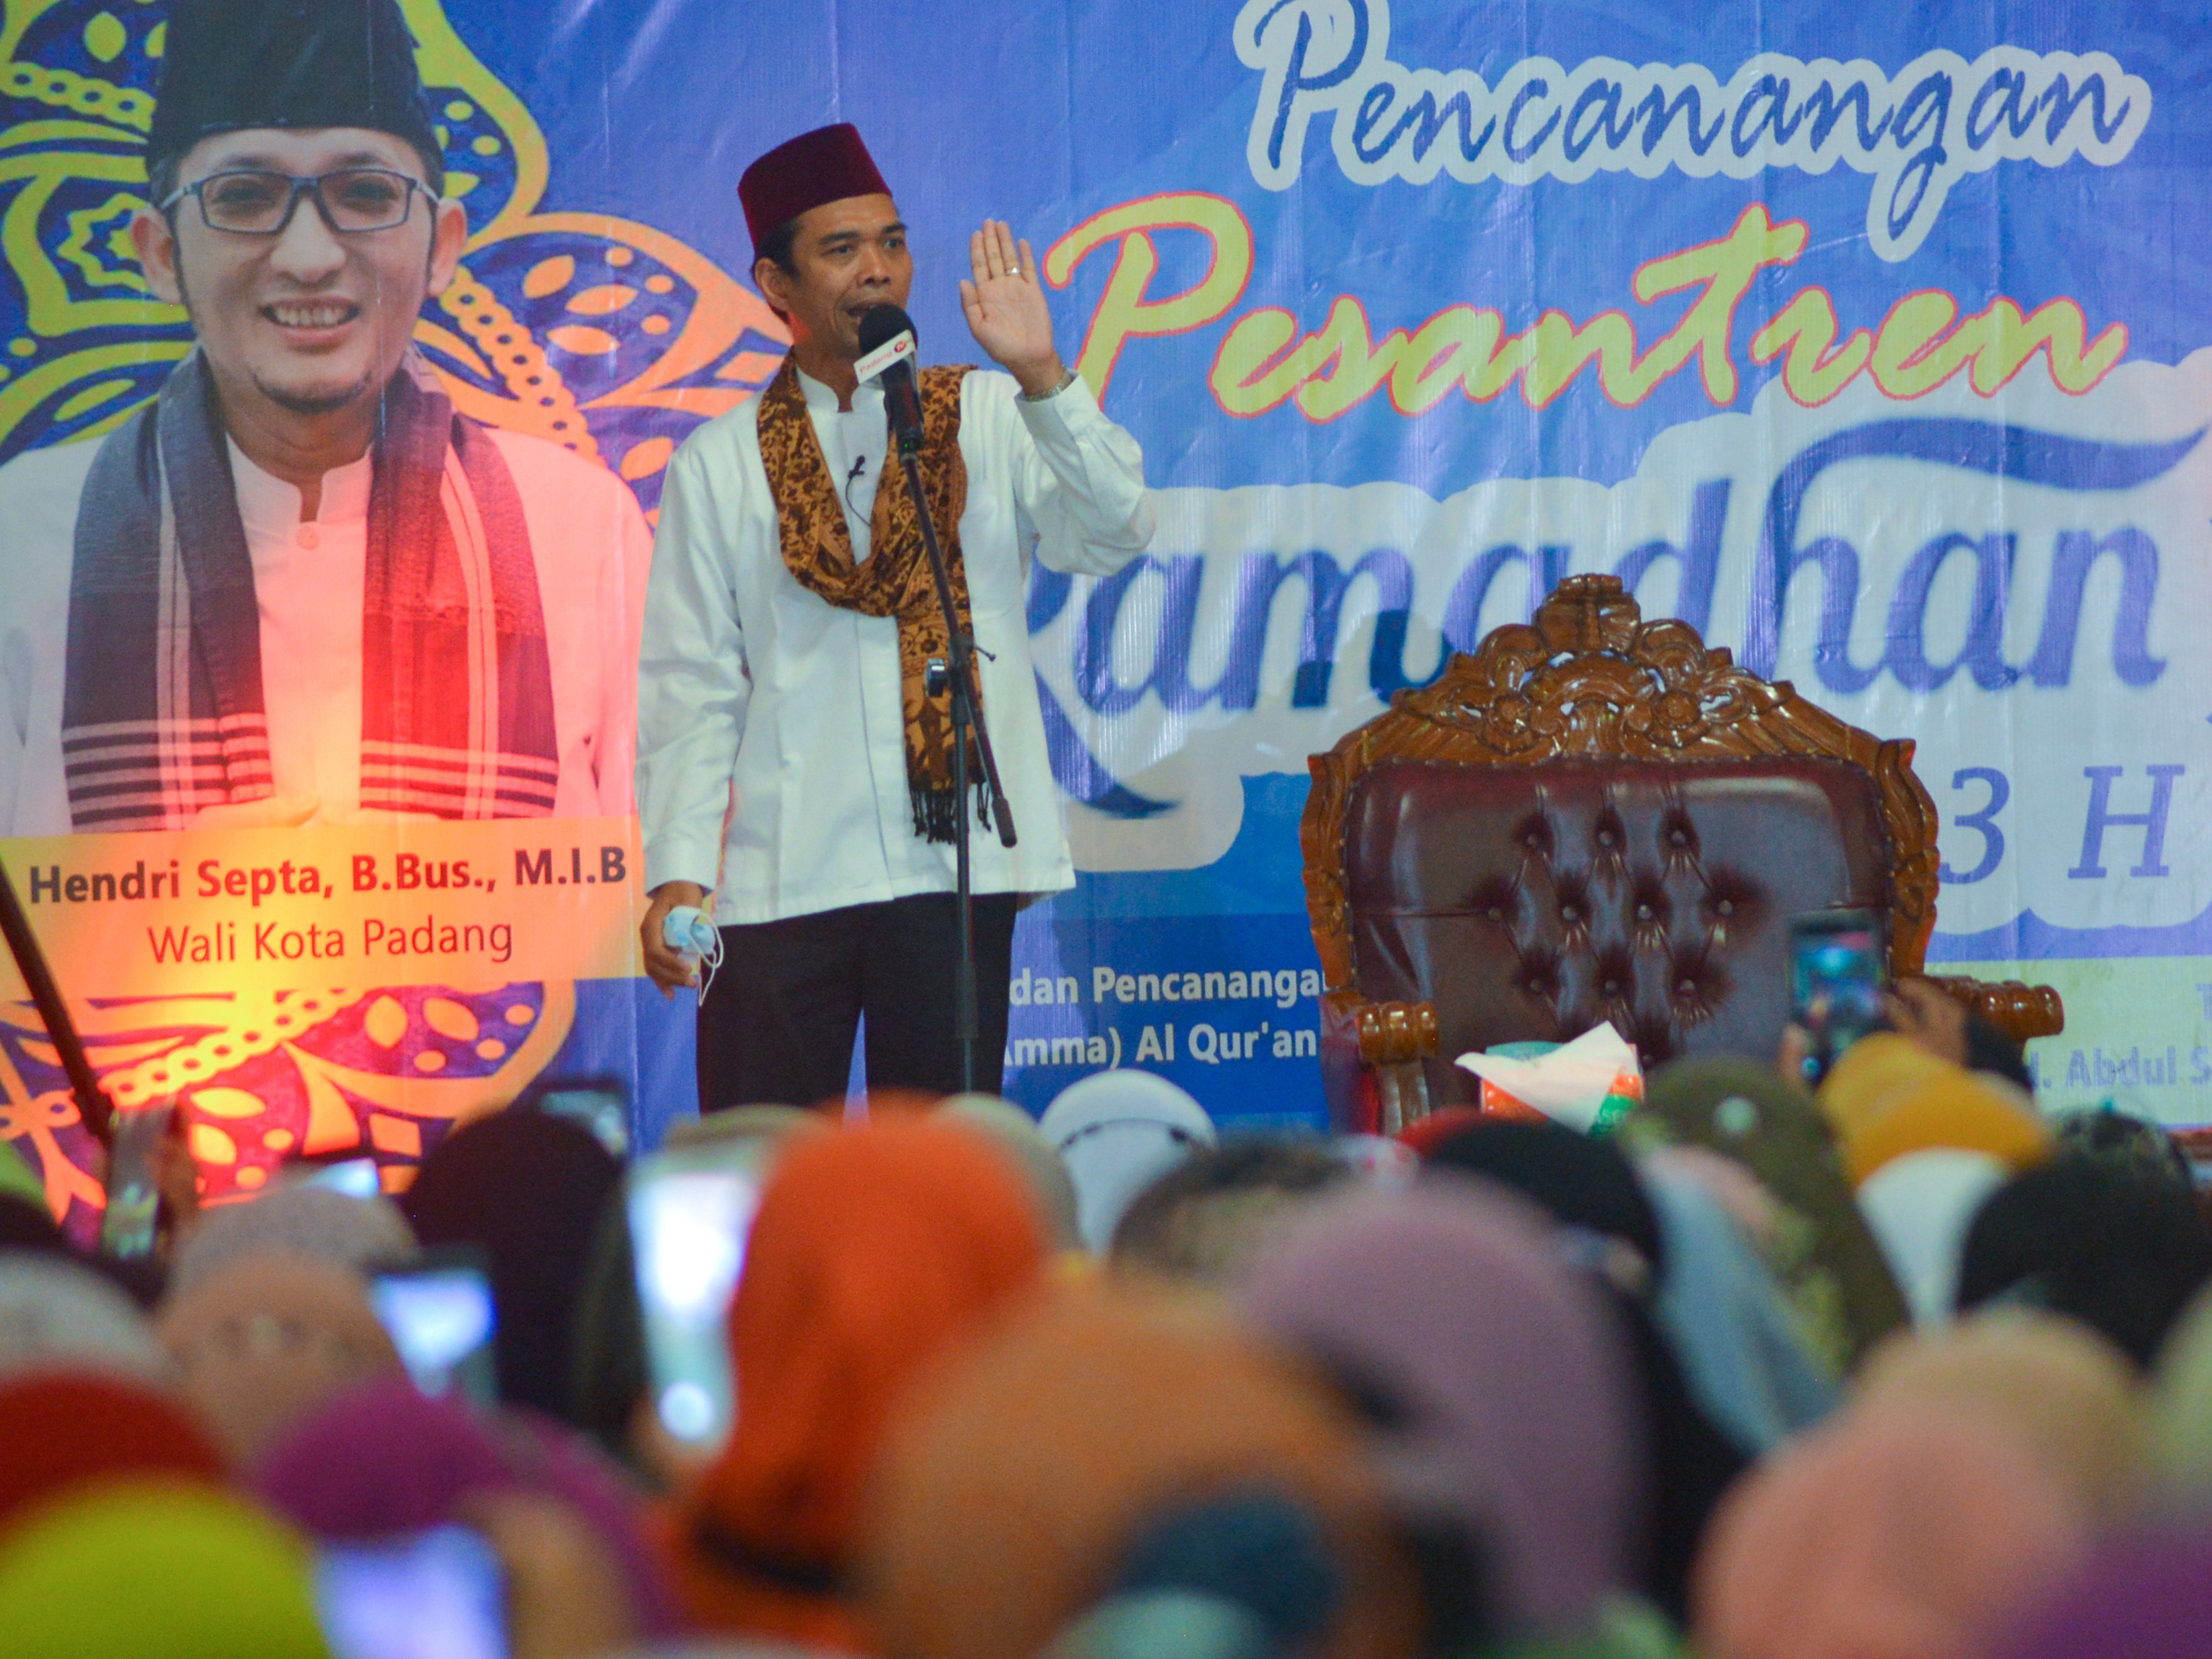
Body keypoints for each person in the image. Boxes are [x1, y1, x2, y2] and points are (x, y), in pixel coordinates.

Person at [0, 0, 648, 835]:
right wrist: (160, 921)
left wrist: (447, 911)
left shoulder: (582, 532)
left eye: (367, 191)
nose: (309, 257)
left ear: (442, 245)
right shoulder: (23, 537)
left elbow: (682, 916)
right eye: (242, 195)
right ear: (160, 254)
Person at [634, 122, 1155, 1109]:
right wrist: (676, 870)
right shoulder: (718, 460)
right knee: (768, 1182)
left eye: (891, 243)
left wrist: (1045, 375)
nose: (877, 271)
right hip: (783, 875)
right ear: (775, 285)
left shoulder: (990, 415)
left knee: (946, 1183)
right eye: (841, 250)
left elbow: (1116, 527)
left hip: (948, 869)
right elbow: (689, 685)